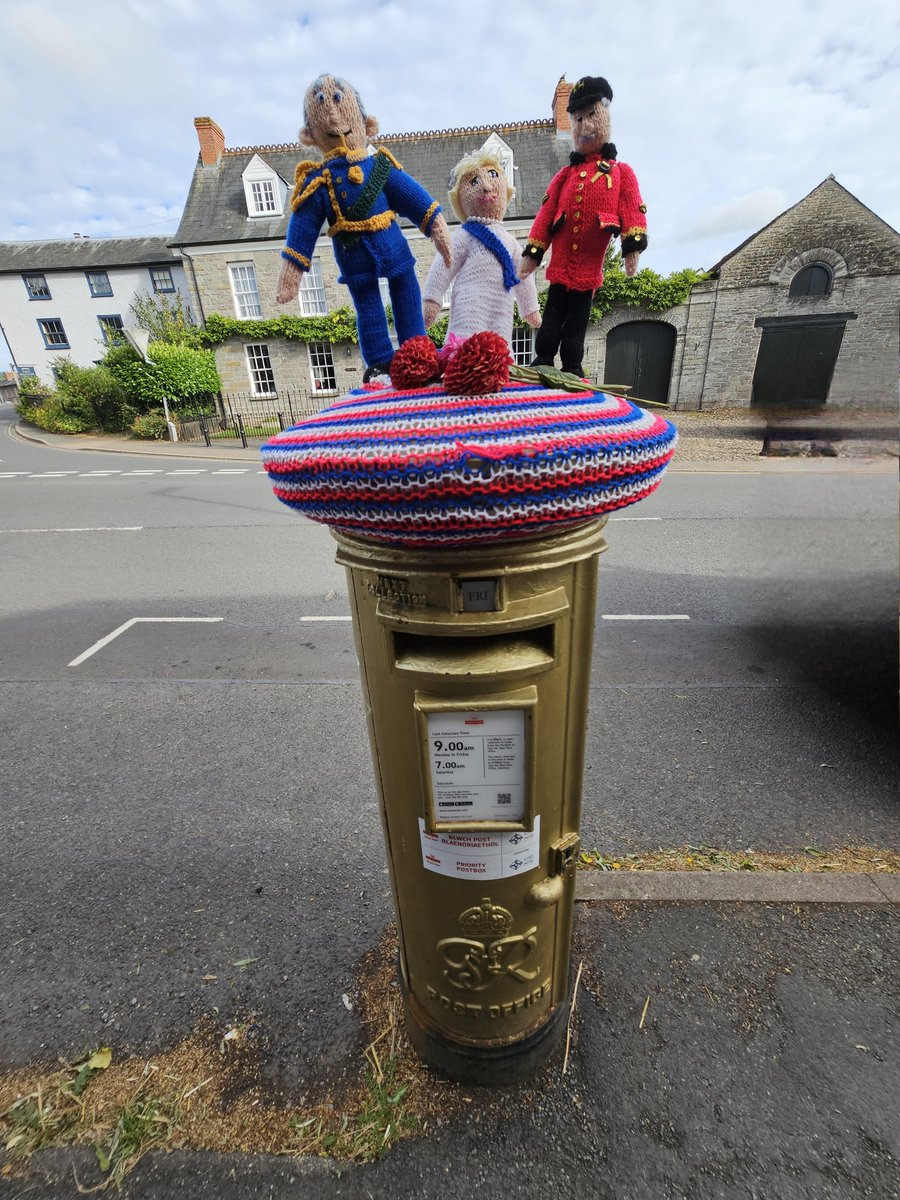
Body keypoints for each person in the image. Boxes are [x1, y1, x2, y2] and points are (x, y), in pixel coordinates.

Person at [275, 74, 452, 379]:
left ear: (367, 125)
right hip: (353, 255)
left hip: (393, 248)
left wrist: (438, 227)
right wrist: (292, 272)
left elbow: (415, 199)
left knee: (407, 293)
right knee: (368, 308)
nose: (331, 110)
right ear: (309, 136)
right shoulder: (319, 182)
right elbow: (302, 228)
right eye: (321, 105)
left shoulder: (380, 166)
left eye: (339, 102)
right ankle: (381, 363)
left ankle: (418, 353)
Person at [519, 75, 648, 377]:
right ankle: (544, 359)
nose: (584, 125)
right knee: (552, 314)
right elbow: (546, 213)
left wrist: (632, 247)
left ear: (604, 115)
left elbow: (633, 209)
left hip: (590, 268)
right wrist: (533, 254)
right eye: (578, 118)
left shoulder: (621, 174)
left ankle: (573, 365)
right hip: (561, 263)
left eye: (590, 115)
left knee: (578, 320)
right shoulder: (564, 175)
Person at [422, 150, 540, 349]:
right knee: (464, 344)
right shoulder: (463, 237)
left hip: (501, 306)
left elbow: (523, 274)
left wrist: (530, 308)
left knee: (499, 345)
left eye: (493, 175)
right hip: (469, 305)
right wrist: (432, 299)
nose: (486, 186)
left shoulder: (511, 242)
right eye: (474, 181)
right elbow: (443, 265)